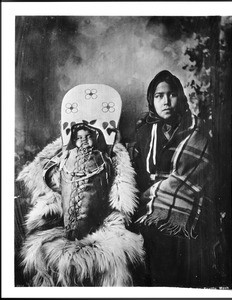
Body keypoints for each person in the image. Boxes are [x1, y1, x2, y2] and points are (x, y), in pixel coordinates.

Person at [17, 84, 144, 286]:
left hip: (100, 220)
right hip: (67, 218)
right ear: (73, 140)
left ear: (95, 137)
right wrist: (56, 176)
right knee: (40, 254)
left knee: (114, 261)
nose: (84, 141)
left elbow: (119, 194)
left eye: (88, 137)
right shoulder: (63, 156)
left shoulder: (108, 157)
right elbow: (44, 176)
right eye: (79, 138)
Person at [131, 70, 219, 287]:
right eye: (159, 96)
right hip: (149, 205)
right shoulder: (144, 133)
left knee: (184, 242)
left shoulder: (198, 131)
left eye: (171, 95)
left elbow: (208, 179)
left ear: (180, 96)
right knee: (152, 237)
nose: (166, 101)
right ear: (152, 100)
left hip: (190, 206)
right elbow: (139, 175)